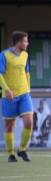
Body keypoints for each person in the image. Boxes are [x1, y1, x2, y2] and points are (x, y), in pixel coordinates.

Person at [0, 31, 33, 162]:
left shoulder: (25, 55)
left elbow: (27, 73)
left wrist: (28, 89)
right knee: (9, 125)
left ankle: (22, 149)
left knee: (29, 122)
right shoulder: (4, 55)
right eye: (25, 41)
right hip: (9, 96)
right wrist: (6, 89)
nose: (27, 43)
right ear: (19, 43)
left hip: (24, 94)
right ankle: (11, 154)